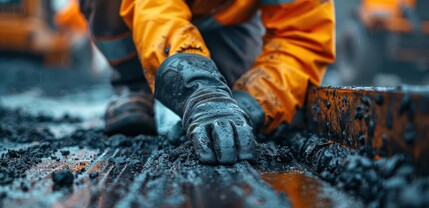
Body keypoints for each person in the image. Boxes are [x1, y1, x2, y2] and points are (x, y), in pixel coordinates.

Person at [66, 0, 335, 164]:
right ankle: (133, 83)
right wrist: (200, 89)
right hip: (140, 9)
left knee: (229, 114)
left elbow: (302, 34)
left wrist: (251, 102)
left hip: (224, 16)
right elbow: (155, 9)